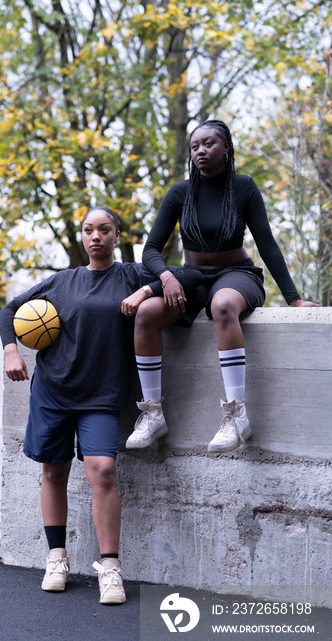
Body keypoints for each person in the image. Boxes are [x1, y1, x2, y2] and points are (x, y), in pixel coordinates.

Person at [0, 207, 166, 605]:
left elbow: (183, 281)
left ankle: (110, 569)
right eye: (89, 230)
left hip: (102, 395)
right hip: (53, 391)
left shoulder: (131, 275)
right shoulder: (61, 281)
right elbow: (9, 311)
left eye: (104, 230)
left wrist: (145, 292)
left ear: (116, 235)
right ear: (83, 236)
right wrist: (12, 352)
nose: (96, 237)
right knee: (53, 472)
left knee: (103, 471)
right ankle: (56, 558)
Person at [122, 119, 319, 453]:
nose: (201, 151)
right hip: (191, 279)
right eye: (195, 146)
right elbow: (150, 249)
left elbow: (267, 244)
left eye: (209, 143)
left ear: (226, 147)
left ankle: (236, 415)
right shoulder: (179, 193)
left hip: (236, 275)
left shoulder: (243, 187)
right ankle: (153, 413)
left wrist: (294, 298)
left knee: (223, 305)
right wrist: (167, 277)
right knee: (146, 313)